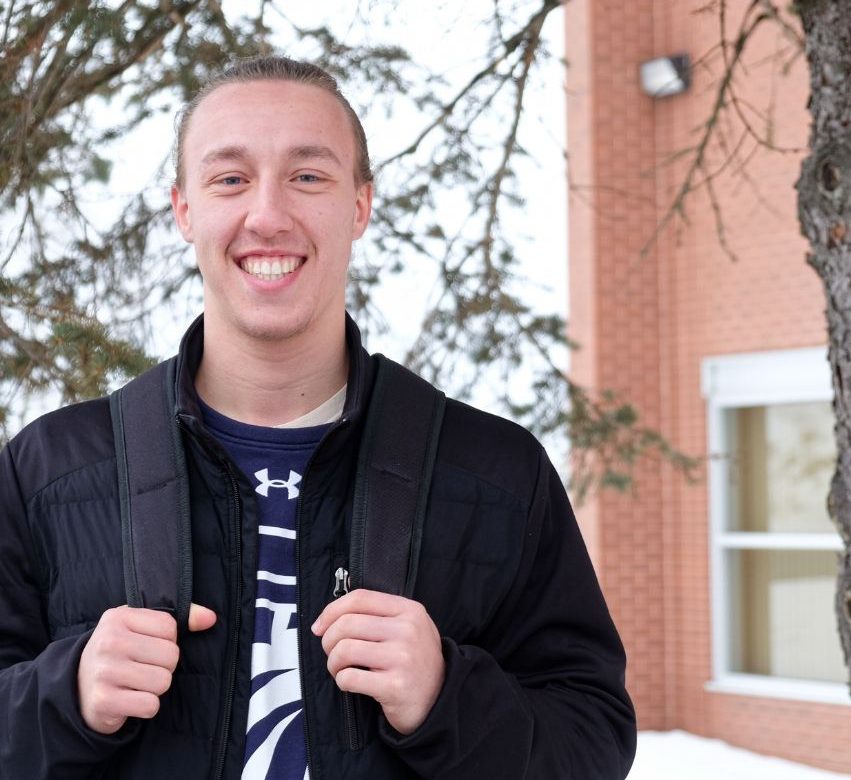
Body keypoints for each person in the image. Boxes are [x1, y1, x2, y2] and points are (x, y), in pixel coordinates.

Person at [0, 56, 636, 779]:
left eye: (307, 176)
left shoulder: (498, 472)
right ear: (184, 210)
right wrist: (68, 694)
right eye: (230, 179)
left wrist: (446, 695)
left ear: (360, 206)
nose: (268, 216)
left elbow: (593, 741)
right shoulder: (46, 470)